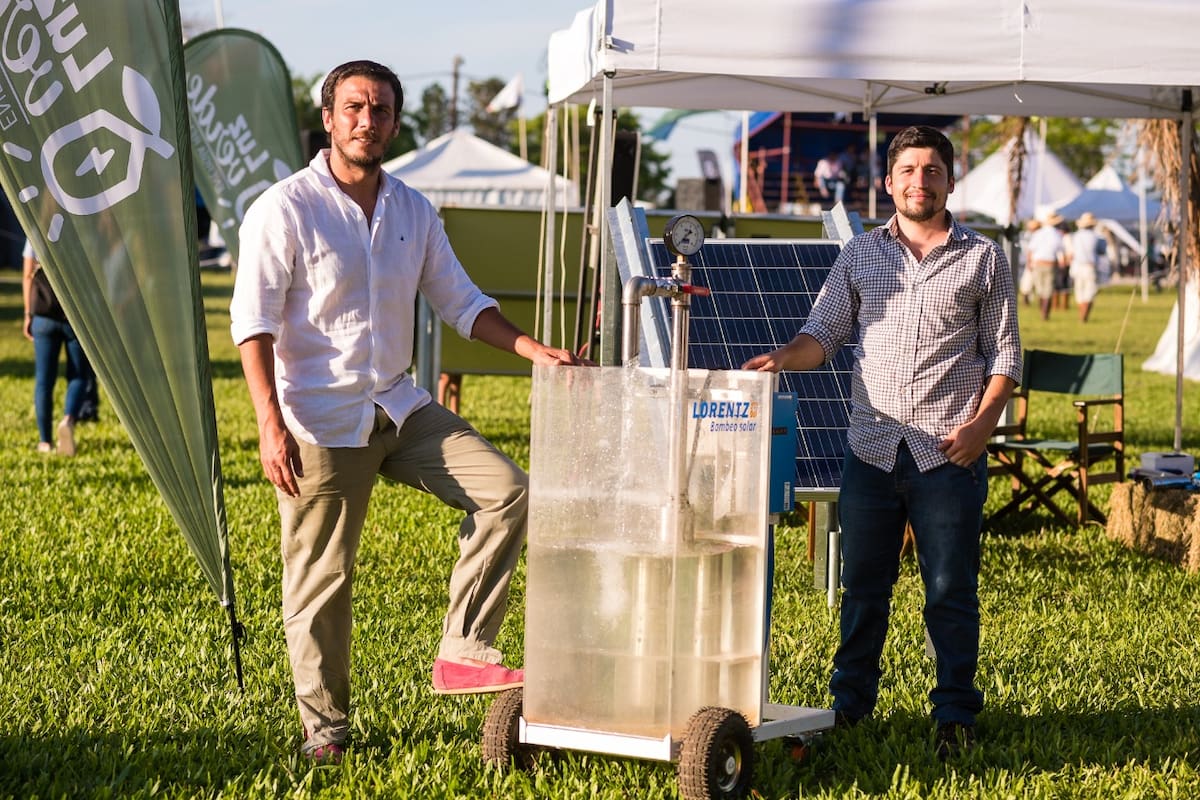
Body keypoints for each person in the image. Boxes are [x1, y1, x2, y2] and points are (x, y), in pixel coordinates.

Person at [229, 59, 585, 762]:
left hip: (399, 405)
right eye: (355, 108)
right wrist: (269, 424)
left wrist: (535, 350)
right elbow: (254, 324)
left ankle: (463, 647)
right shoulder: (285, 207)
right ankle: (324, 731)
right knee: (322, 580)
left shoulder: (413, 210)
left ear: (395, 123)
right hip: (320, 420)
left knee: (508, 492)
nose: (369, 120)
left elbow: (462, 301)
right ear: (328, 118)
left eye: (383, 110)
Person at [742, 126, 1022, 759]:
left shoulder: (984, 258)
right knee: (863, 589)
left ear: (950, 180)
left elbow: (1005, 353)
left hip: (948, 453)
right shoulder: (861, 255)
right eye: (908, 171)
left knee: (949, 590)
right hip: (870, 450)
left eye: (931, 170)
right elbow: (823, 335)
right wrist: (783, 358)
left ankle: (954, 714)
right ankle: (850, 707)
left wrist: (982, 427)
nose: (919, 181)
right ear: (889, 182)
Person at [21, 239, 93, 455]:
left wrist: (28, 314)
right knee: (80, 375)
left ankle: (45, 442)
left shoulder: (35, 227)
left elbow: (27, 275)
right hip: (76, 315)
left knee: (44, 380)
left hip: (44, 314)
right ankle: (68, 419)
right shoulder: (79, 224)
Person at [1025, 211, 1066, 320]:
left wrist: (1029, 263)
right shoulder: (1057, 234)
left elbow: (1030, 250)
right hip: (1050, 264)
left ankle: (1042, 312)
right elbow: (1061, 251)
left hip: (1038, 263)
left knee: (1040, 289)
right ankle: (1045, 314)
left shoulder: (1038, 233)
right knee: (1048, 290)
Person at [1065, 211, 1101, 322]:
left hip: (1077, 266)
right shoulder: (1096, 237)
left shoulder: (1075, 236)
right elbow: (1101, 251)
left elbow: (1071, 253)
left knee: (1079, 292)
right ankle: (1084, 316)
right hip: (1089, 267)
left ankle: (1082, 315)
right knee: (1089, 293)